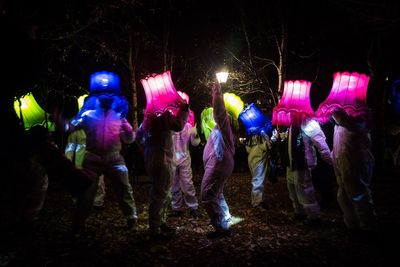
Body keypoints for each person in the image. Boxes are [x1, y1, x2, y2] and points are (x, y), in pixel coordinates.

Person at [65, 91, 138, 234]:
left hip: (114, 158)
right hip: (92, 158)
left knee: (124, 187)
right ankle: (79, 223)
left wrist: (130, 132)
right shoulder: (88, 115)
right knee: (86, 192)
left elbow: (129, 139)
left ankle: (131, 218)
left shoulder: (118, 117)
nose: (106, 99)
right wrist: (63, 121)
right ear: (98, 99)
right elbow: (70, 128)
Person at [136, 101, 189, 241]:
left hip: (153, 159)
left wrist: (146, 150)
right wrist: (183, 111)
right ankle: (155, 229)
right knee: (160, 195)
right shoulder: (163, 116)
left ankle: (160, 223)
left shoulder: (147, 118)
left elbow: (137, 137)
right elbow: (178, 126)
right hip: (163, 160)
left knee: (162, 193)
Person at [331, 108, 377, 238]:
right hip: (342, 162)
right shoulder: (340, 124)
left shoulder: (360, 117)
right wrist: (333, 156)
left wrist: (335, 113)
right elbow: (338, 143)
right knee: (343, 195)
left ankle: (368, 227)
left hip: (356, 163)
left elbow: (352, 125)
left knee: (358, 194)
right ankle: (352, 224)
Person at [200, 82, 235, 238]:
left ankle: (221, 228)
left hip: (218, 164)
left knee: (207, 195)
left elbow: (219, 112)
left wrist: (217, 93)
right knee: (217, 193)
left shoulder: (224, 125)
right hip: (218, 163)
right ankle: (225, 219)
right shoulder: (220, 129)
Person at [285, 114, 332, 225]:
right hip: (292, 161)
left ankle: (313, 216)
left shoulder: (308, 122)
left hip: (303, 161)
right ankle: (299, 211)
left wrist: (328, 157)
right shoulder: (293, 122)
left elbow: (319, 140)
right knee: (292, 186)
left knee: (304, 189)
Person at [65, 128, 106, 209]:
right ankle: (78, 201)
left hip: (95, 162)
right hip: (80, 162)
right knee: (80, 182)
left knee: (99, 182)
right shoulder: (76, 130)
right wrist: (68, 161)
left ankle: (98, 202)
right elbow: (70, 147)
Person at [170, 122, 202, 218]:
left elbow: (195, 143)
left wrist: (195, 133)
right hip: (172, 159)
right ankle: (176, 208)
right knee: (174, 185)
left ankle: (193, 207)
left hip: (184, 158)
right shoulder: (169, 126)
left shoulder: (187, 126)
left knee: (187, 183)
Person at [245, 129, 272, 209]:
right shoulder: (262, 133)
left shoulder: (249, 133)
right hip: (259, 158)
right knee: (258, 180)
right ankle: (257, 202)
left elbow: (247, 149)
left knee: (256, 179)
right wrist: (272, 139)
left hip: (251, 158)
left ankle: (255, 200)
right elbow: (266, 146)